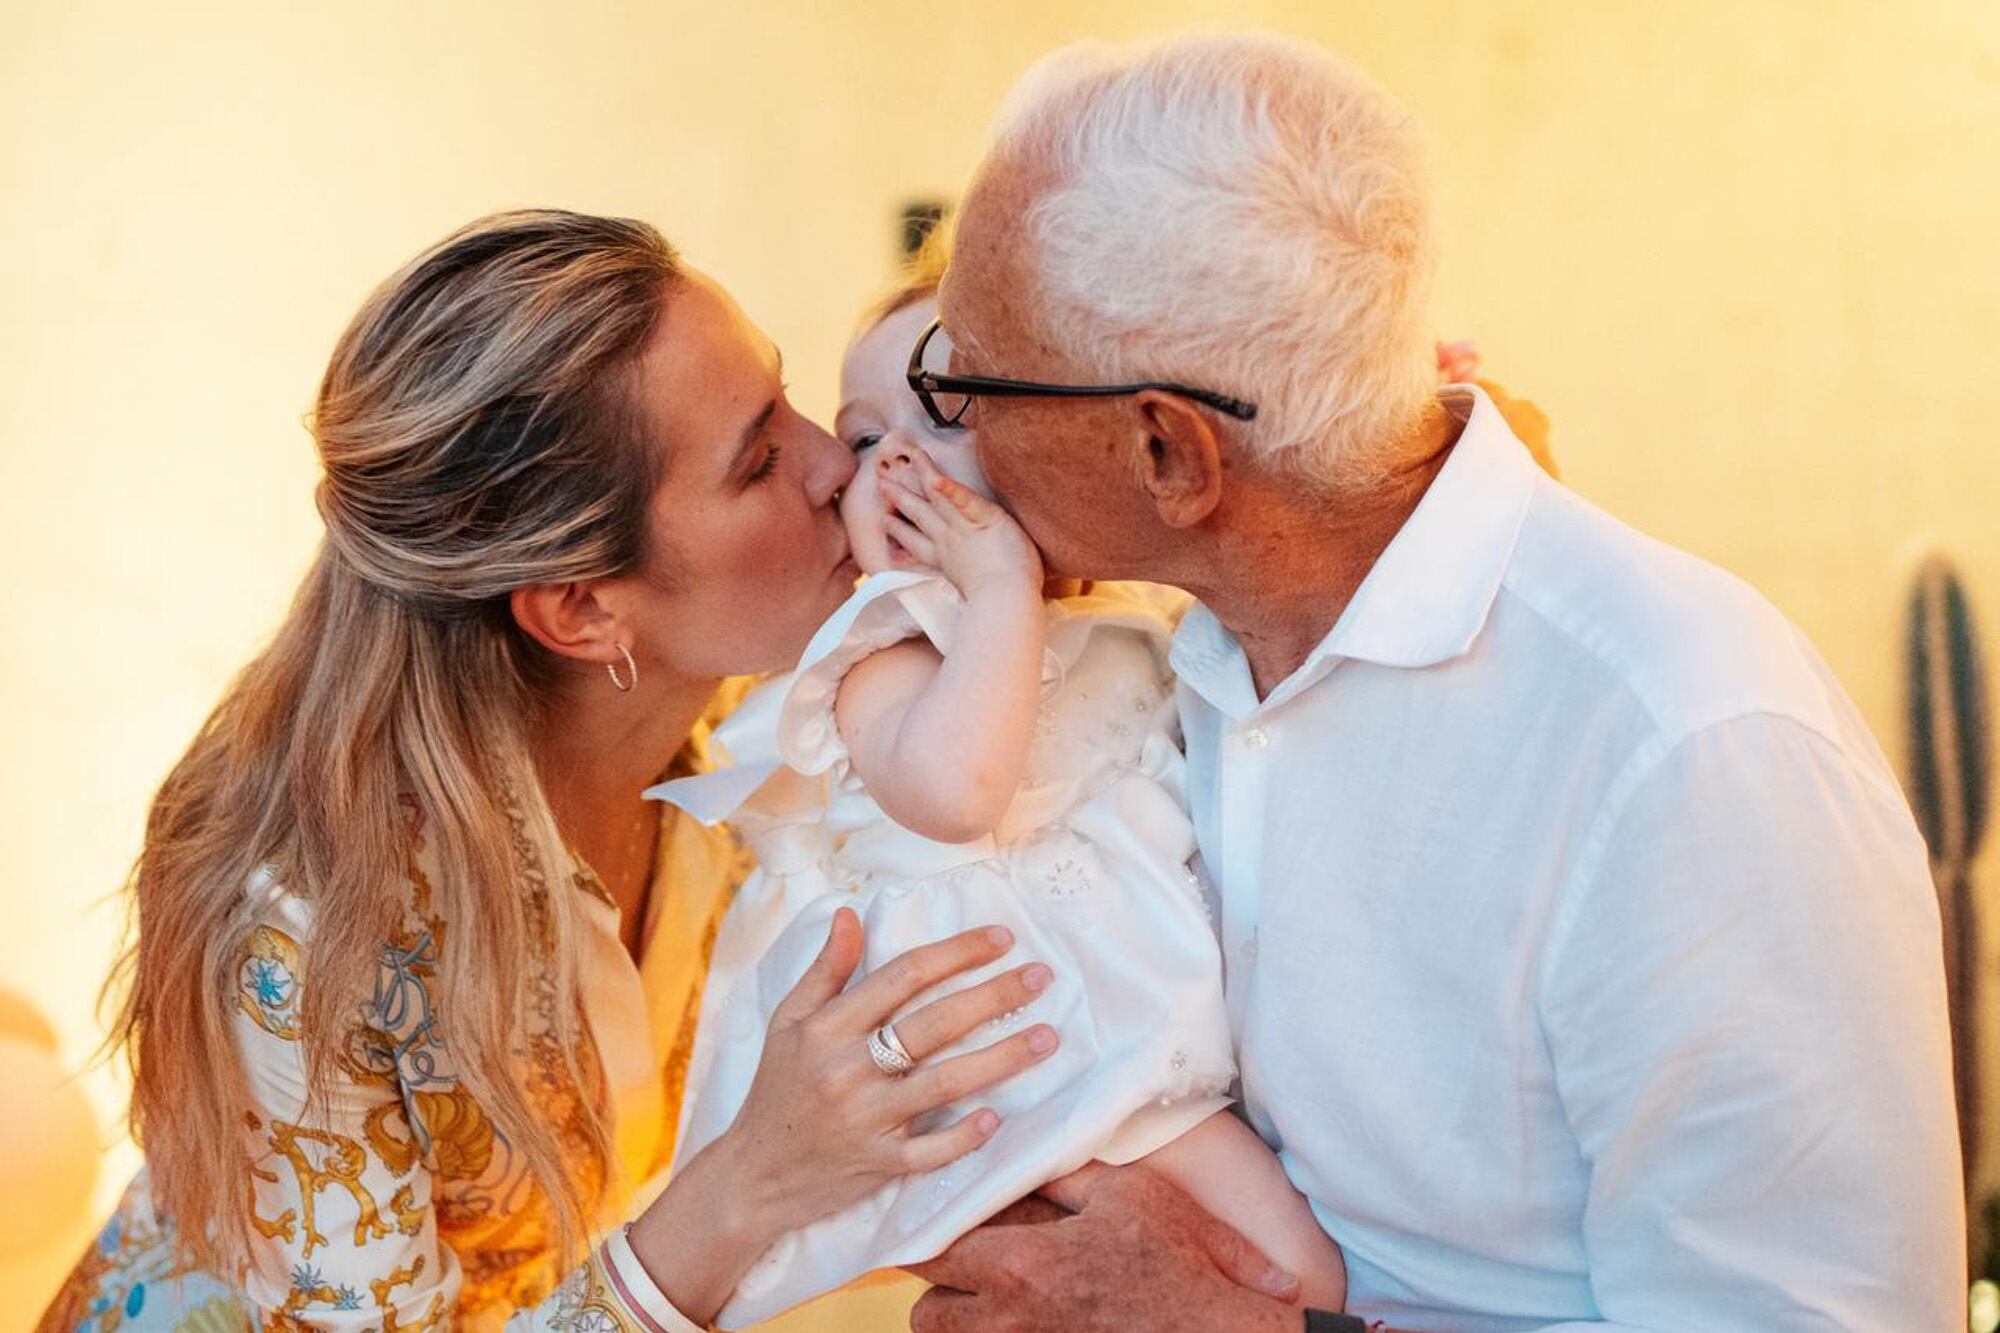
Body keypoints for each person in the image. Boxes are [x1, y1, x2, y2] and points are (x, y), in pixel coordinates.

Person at [908, 32, 1963, 1332]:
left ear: (1168, 452)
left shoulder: (1688, 745)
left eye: (962, 379)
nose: (941, 433)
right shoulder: (1181, 649)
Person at [37, 209, 1065, 1333]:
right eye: (758, 458)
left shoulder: (788, 721)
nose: (835, 461)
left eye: (780, 398)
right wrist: (753, 1177)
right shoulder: (301, 931)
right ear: (581, 611)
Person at [648, 255, 1344, 1326]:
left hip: (1153, 1044)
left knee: (1294, 1278)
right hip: (1021, 1062)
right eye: (865, 438)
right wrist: (998, 590)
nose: (889, 463)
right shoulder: (879, 656)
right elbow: (957, 793)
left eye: (944, 414)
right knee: (1297, 1276)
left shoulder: (1124, 623)